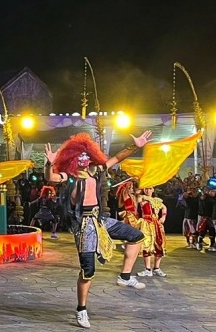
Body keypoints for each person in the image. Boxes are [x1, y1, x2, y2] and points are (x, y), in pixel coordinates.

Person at [45, 131, 151, 330]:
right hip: (84, 225)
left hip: (100, 220)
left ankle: (125, 277)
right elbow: (51, 176)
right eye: (81, 156)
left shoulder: (96, 170)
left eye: (87, 155)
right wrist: (50, 162)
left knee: (136, 236)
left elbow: (117, 158)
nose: (85, 159)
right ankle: (81, 310)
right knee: (88, 271)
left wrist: (135, 146)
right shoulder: (69, 176)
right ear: (73, 158)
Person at [136, 186, 167, 277]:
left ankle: (157, 268)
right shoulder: (142, 198)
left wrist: (163, 216)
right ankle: (148, 269)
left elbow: (164, 208)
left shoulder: (157, 200)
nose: (148, 190)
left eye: (150, 188)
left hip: (156, 224)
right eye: (146, 188)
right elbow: (137, 199)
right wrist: (138, 191)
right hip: (146, 224)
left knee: (159, 244)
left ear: (153, 189)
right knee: (147, 245)